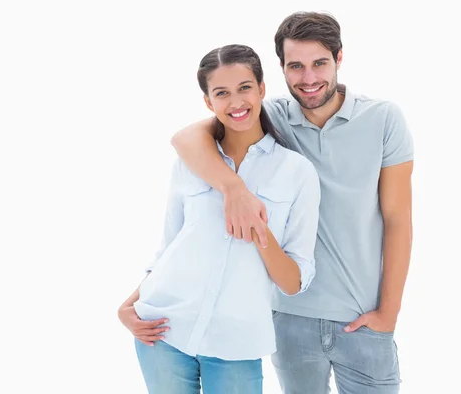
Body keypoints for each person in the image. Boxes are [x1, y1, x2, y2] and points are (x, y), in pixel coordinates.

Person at [170, 12, 414, 394]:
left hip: (363, 319)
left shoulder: (383, 119)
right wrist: (234, 188)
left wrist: (389, 312)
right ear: (281, 70)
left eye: (320, 63)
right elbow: (186, 138)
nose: (309, 78)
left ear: (339, 58)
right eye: (296, 66)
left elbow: (398, 218)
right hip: (289, 319)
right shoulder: (272, 116)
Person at [117, 44, 321, 394]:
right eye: (221, 93)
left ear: (261, 89)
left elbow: (292, 282)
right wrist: (130, 304)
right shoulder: (190, 163)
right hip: (164, 330)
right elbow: (171, 246)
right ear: (208, 103)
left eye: (244, 88)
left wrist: (258, 227)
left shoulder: (296, 172)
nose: (236, 102)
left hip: (236, 343)